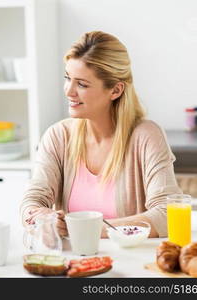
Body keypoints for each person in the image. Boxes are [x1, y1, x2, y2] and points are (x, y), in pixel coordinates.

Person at [20, 31, 181, 239]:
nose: (69, 91)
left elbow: (167, 215)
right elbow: (32, 200)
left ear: (115, 90)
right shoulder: (58, 136)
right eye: (67, 78)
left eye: (82, 84)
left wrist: (84, 228)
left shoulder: (146, 136)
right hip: (74, 265)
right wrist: (37, 216)